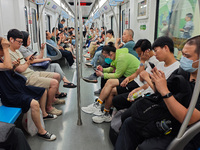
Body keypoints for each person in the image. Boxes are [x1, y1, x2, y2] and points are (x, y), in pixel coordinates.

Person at [114, 35, 200, 150]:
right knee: (130, 122)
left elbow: (187, 120)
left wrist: (163, 90)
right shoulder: (183, 73)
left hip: (182, 130)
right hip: (167, 115)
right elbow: (161, 91)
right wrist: (158, 84)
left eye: (187, 56)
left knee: (146, 147)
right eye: (182, 54)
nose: (183, 58)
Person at [0, 37, 56, 141]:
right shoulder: (4, 59)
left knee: (42, 90)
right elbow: (6, 66)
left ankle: (44, 114)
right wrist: (6, 48)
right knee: (34, 103)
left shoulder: (2, 59)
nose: (4, 52)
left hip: (17, 88)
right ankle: (41, 131)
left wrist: (13, 67)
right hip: (9, 94)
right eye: (2, 50)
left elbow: (8, 70)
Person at [113, 36, 180, 111]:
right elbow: (140, 75)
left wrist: (142, 62)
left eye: (156, 51)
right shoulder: (160, 64)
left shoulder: (171, 67)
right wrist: (135, 85)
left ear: (165, 48)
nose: (155, 54)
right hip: (144, 89)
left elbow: (157, 89)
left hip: (153, 96)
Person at [7, 29, 63, 116]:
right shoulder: (9, 54)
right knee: (54, 83)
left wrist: (29, 60)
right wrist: (29, 62)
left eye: (22, 42)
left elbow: (24, 65)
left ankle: (53, 99)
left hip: (32, 72)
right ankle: (49, 108)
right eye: (19, 42)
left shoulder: (17, 51)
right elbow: (21, 70)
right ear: (11, 39)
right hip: (27, 78)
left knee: (57, 76)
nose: (20, 44)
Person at [81, 42, 140, 123]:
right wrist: (103, 70)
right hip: (127, 77)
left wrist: (102, 75)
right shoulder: (116, 56)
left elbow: (117, 75)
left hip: (133, 79)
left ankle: (98, 105)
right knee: (110, 88)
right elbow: (112, 69)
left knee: (109, 81)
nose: (106, 58)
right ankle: (105, 112)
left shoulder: (121, 58)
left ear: (111, 53)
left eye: (106, 56)